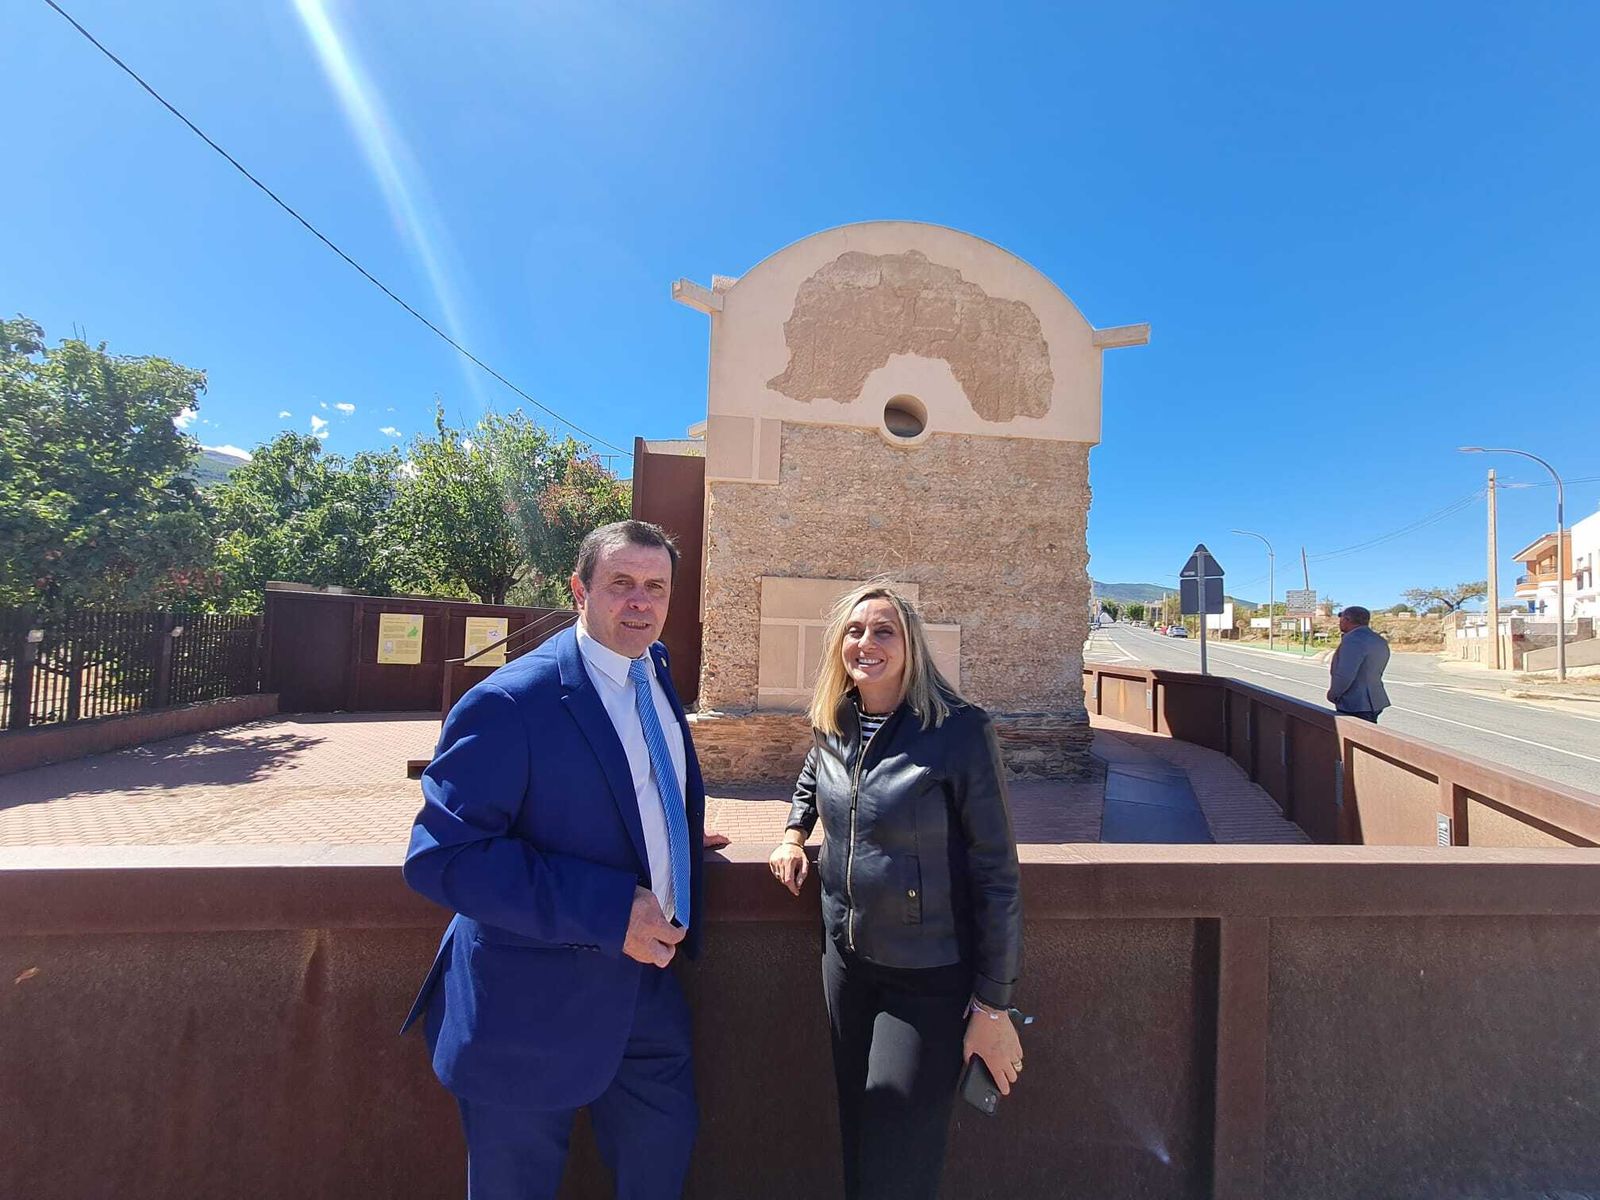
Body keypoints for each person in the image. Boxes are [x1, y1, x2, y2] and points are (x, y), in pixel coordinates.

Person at [401, 519, 723, 1200]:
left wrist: (673, 844)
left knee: (661, 1169)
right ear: (579, 590)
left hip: (648, 994)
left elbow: (626, 784)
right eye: (621, 584)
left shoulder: (652, 670)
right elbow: (443, 857)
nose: (640, 602)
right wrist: (609, 909)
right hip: (526, 1012)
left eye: (656, 587)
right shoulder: (509, 701)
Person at [768, 583, 1024, 1200]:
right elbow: (814, 775)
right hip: (846, 965)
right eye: (855, 631)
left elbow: (997, 872)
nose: (867, 643)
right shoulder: (835, 723)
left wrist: (993, 1005)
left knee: (899, 1156)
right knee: (857, 1134)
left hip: (928, 974)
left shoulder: (960, 732)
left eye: (884, 631)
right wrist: (791, 831)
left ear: (911, 647)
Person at [1327, 605, 1391, 722]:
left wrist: (1334, 694)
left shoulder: (1353, 640)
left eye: (1341, 618)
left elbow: (1345, 674)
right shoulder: (1378, 640)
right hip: (1374, 699)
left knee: (1353, 736)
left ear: (1347, 620)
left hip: (1356, 702)